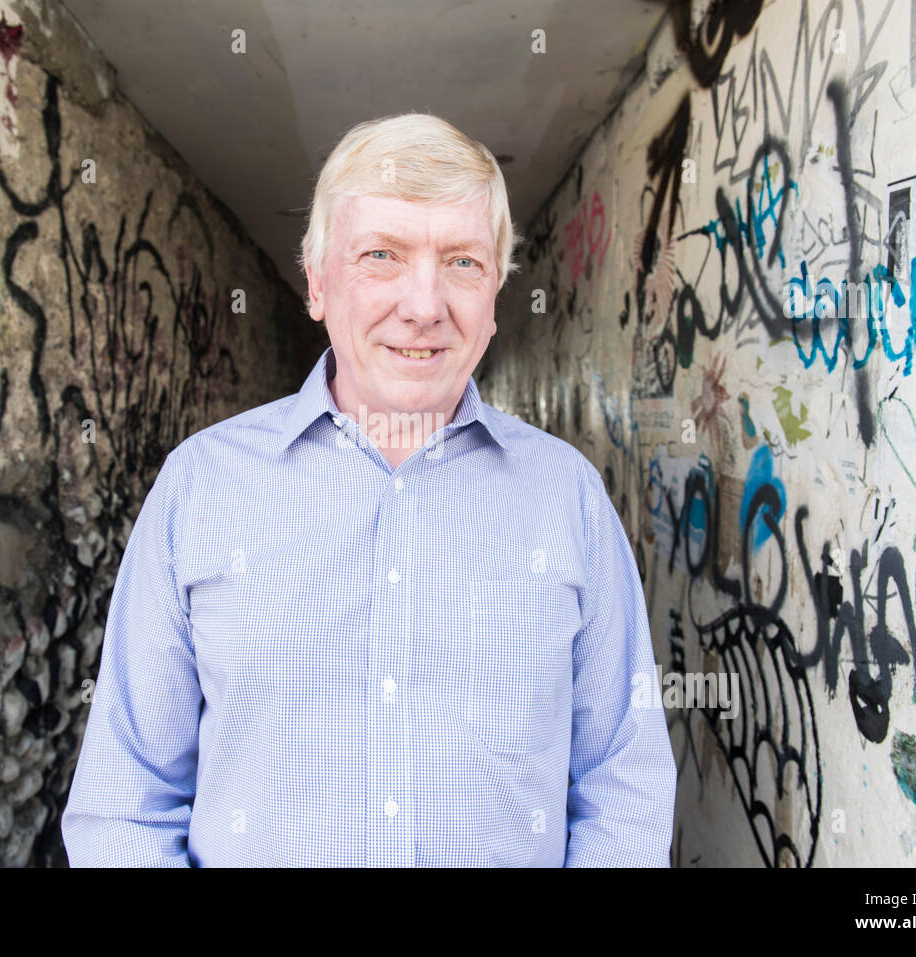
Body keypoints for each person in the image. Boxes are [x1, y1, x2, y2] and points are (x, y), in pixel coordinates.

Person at [61, 112, 676, 866]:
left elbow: (625, 785)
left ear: (494, 299)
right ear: (317, 284)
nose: (423, 305)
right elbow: (125, 803)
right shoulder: (203, 487)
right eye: (381, 255)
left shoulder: (568, 499)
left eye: (462, 263)